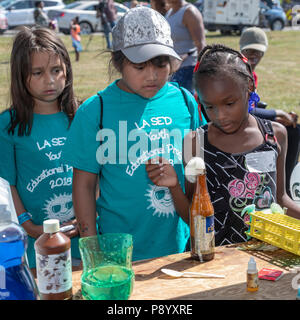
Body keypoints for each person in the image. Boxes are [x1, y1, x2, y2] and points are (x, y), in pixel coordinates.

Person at [62, 7, 207, 262]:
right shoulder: (96, 110)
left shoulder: (186, 102)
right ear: (118, 62)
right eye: (139, 66)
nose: (151, 75)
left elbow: (197, 172)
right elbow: (84, 185)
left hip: (181, 248)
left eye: (161, 64)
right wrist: (92, 248)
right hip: (117, 251)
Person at [146, 44, 300, 248]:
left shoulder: (274, 136)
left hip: (266, 258)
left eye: (229, 103)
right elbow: (194, 219)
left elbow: (280, 199)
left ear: (250, 87)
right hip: (216, 263)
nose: (220, 115)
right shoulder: (196, 143)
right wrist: (174, 186)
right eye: (209, 106)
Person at [0, 27, 80, 268]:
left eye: (56, 70)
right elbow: (8, 184)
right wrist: (28, 225)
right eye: (37, 72)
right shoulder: (8, 125)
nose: (50, 80)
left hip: (83, 234)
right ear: (20, 75)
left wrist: (88, 216)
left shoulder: (83, 115)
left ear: (67, 68)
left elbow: (95, 173)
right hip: (37, 244)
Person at [239, 27, 300, 197]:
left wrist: (278, 115)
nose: (253, 56)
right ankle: (284, 190)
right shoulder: (238, 71)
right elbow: (243, 108)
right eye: (249, 51)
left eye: (258, 52)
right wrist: (276, 113)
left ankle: (286, 184)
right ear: (241, 49)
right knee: (287, 129)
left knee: (293, 127)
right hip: (236, 120)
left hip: (247, 117)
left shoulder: (252, 73)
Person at [165, 0, 206, 93]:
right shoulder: (169, 12)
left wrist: (200, 71)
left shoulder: (189, 12)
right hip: (172, 68)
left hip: (187, 69)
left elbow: (201, 44)